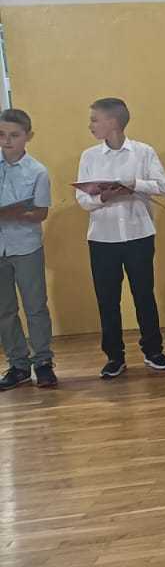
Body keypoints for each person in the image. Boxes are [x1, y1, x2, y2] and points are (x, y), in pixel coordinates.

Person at [75, 97, 165, 378]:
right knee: (107, 299)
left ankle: (153, 351)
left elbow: (164, 186)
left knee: (144, 294)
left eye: (95, 120)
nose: (91, 125)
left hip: (138, 234)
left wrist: (134, 184)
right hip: (102, 238)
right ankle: (114, 357)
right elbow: (82, 199)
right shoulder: (89, 156)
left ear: (113, 122)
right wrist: (103, 197)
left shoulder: (143, 152)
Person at [0, 109, 56, 388]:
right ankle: (18, 365)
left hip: (26, 247)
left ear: (28, 136)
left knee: (35, 307)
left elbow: (41, 212)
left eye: (14, 135)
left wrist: (17, 214)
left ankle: (43, 362)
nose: (7, 141)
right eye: (1, 135)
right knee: (4, 310)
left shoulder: (37, 171)